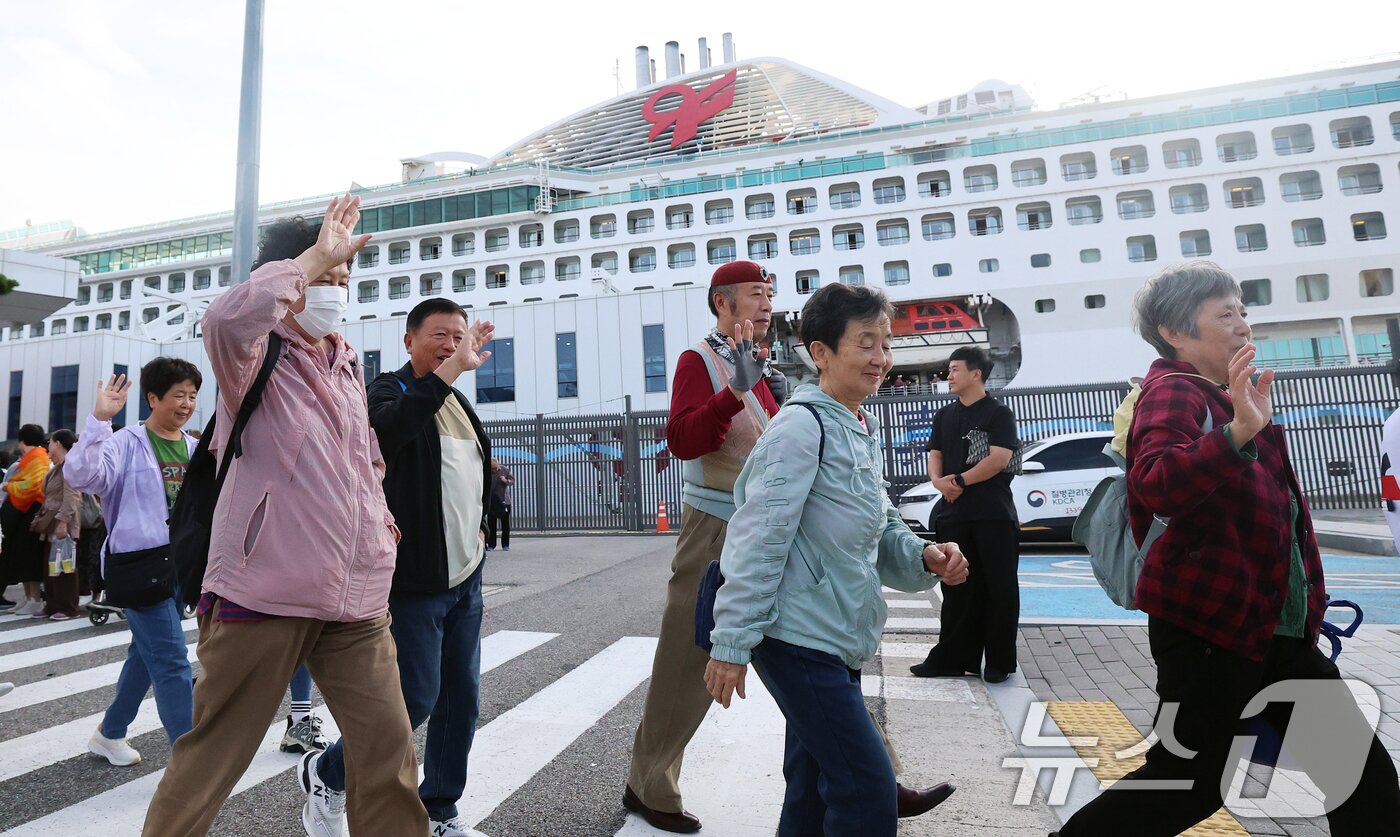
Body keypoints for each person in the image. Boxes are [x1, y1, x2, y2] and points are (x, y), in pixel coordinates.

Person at [1054, 261, 1400, 836]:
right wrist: (1237, 432)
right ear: (1175, 332)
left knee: (1361, 781)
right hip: (1210, 632)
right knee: (1186, 784)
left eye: (1243, 310)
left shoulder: (1230, 398)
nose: (1243, 323)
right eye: (1225, 313)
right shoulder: (1174, 393)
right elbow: (1158, 482)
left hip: (1272, 633)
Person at [623, 262, 947, 834]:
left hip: (784, 526)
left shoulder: (780, 373)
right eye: (756, 294)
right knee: (686, 664)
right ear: (722, 302)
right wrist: (733, 392)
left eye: (771, 294)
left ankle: (871, 775)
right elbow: (682, 440)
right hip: (721, 525)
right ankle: (650, 784)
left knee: (818, 697)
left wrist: (916, 555)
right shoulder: (701, 359)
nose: (768, 302)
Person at [141, 197, 427, 837]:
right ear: (290, 278)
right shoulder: (253, 353)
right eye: (325, 277)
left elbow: (366, 461)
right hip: (265, 589)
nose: (337, 290)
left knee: (388, 751)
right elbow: (224, 319)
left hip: (356, 596)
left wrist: (380, 526)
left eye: (344, 278)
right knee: (214, 753)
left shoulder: (346, 361)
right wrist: (311, 259)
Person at [704, 282, 970, 837]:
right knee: (867, 791)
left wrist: (923, 554)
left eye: (886, 343)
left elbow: (879, 522)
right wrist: (730, 643)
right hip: (797, 637)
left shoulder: (856, 425)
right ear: (820, 352)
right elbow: (758, 537)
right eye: (865, 344)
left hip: (835, 633)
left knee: (812, 790)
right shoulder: (802, 427)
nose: (881, 359)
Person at [308, 296, 495, 837]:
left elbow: (473, 473)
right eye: (439, 334)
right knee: (414, 697)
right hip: (414, 579)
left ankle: (440, 810)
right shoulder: (387, 391)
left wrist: (483, 525)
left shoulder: (457, 401)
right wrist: (447, 375)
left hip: (466, 576)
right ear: (408, 340)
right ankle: (326, 771)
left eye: (459, 335)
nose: (451, 344)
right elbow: (385, 436)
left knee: (462, 700)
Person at [66, 359, 202, 765]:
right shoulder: (124, 441)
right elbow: (82, 476)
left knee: (146, 654)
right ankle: (191, 758)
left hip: (181, 566)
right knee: (173, 658)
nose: (186, 404)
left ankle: (110, 733)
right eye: (178, 395)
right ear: (153, 397)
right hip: (141, 566)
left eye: (192, 396)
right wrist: (98, 420)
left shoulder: (194, 448)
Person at [912, 346, 1022, 683]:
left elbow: (999, 459)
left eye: (955, 369)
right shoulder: (944, 415)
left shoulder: (999, 413)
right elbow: (935, 453)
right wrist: (939, 482)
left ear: (977, 373)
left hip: (993, 515)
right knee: (957, 588)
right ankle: (952, 658)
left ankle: (1000, 661)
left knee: (999, 587)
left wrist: (960, 480)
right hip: (954, 514)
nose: (949, 375)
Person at [32, 429, 82, 620]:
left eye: (50, 442)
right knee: (51, 564)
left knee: (66, 565)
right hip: (51, 522)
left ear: (59, 443)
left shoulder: (70, 465)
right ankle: (52, 604)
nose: (48, 447)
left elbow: (72, 496)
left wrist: (63, 522)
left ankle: (68, 607)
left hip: (64, 522)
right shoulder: (58, 467)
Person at [1, 424, 50, 615]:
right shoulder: (36, 456)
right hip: (27, 511)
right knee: (23, 554)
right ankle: (29, 597)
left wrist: (8, 486)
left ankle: (35, 598)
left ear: (22, 442)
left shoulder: (38, 457)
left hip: (33, 509)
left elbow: (33, 485)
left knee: (29, 555)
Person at [486, 458, 514, 551]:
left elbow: (512, 481)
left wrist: (505, 480)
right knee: (491, 525)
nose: (493, 471)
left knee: (505, 525)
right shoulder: (486, 471)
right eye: (491, 469)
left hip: (504, 501)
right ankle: (491, 545)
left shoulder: (505, 470)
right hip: (492, 502)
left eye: (495, 469)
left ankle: (505, 545)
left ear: (498, 465)